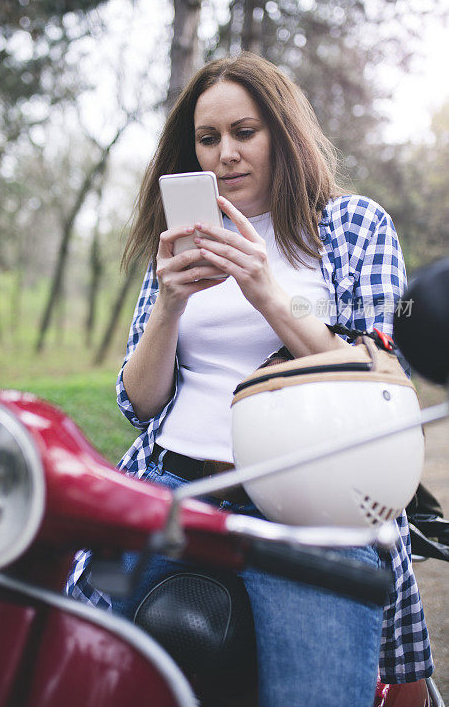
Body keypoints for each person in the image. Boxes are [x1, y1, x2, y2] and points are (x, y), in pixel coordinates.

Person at [67, 53, 433, 705]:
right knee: (80, 668)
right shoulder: (183, 238)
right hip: (177, 488)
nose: (224, 154)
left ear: (282, 134)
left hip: (310, 508)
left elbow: (383, 378)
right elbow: (138, 401)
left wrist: (268, 294)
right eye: (207, 138)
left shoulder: (350, 227)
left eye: (245, 131)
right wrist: (171, 302)